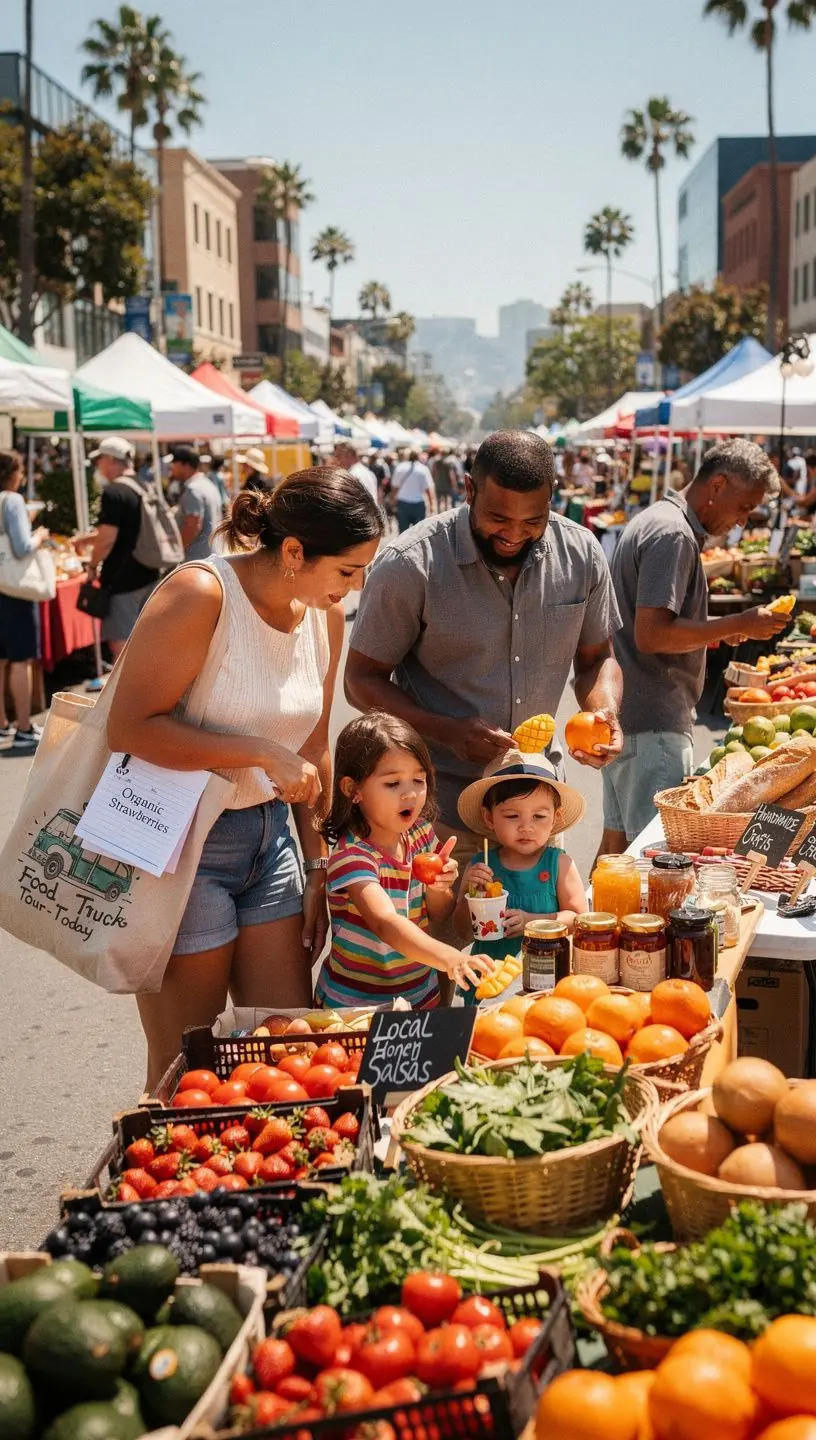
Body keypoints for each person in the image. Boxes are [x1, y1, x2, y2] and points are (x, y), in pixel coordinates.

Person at [105, 468, 384, 1088]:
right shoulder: (202, 594)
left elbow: (313, 748)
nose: (357, 586)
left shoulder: (323, 615)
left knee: (290, 1046)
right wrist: (257, 751)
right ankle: (168, 1183)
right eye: (347, 570)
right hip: (181, 841)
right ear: (292, 552)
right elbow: (129, 728)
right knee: (190, 1060)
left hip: (272, 843)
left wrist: (318, 868)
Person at [346, 430, 624, 864]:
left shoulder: (582, 554)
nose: (514, 534)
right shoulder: (409, 564)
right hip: (438, 808)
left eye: (533, 521)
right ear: (469, 490)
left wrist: (603, 711)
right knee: (442, 933)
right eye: (498, 518)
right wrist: (446, 730)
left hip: (537, 803)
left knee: (537, 931)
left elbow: (597, 658)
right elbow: (360, 680)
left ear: (552, 497)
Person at [602, 439, 789, 852]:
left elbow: (654, 624)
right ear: (718, 485)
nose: (743, 521)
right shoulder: (674, 534)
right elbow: (651, 634)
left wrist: (716, 629)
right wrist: (740, 620)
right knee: (657, 858)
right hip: (653, 720)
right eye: (745, 507)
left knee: (616, 851)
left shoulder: (659, 520)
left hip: (630, 717)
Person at [315, 712, 495, 1008]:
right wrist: (451, 957)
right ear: (353, 790)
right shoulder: (352, 857)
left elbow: (439, 913)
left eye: (419, 780)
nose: (410, 793)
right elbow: (386, 923)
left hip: (420, 997)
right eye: (392, 783)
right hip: (355, 1010)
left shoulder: (422, 835)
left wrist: (439, 888)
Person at [454, 750, 587, 958]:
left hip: (547, 973)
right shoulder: (480, 867)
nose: (527, 827)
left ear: (556, 817)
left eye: (539, 816)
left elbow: (578, 919)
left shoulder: (559, 864)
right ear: (489, 818)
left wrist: (531, 922)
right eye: (512, 816)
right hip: (492, 977)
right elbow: (462, 931)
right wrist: (471, 898)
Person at [79, 437, 161, 659]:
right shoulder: (144, 485)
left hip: (123, 579)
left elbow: (108, 538)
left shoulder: (114, 492)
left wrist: (93, 565)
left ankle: (128, 692)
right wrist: (89, 540)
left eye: (100, 460)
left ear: (111, 460)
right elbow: (128, 528)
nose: (99, 466)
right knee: (145, 640)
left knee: (121, 644)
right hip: (150, 572)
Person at [0, 449, 49, 749]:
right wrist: (39, 535)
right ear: (13, 474)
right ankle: (23, 727)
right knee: (20, 659)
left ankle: (2, 724)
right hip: (14, 589)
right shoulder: (12, 500)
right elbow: (21, 547)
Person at [170, 445, 224, 561]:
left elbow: (193, 525)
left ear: (185, 465)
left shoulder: (193, 489)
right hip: (212, 556)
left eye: (174, 463)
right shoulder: (208, 484)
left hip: (196, 560)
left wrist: (177, 551)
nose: (171, 468)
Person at [391, 450, 436, 532]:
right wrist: (432, 505)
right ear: (418, 456)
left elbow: (394, 487)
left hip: (403, 504)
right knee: (418, 534)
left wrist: (393, 502)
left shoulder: (400, 467)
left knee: (402, 533)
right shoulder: (423, 469)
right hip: (418, 505)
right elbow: (428, 489)